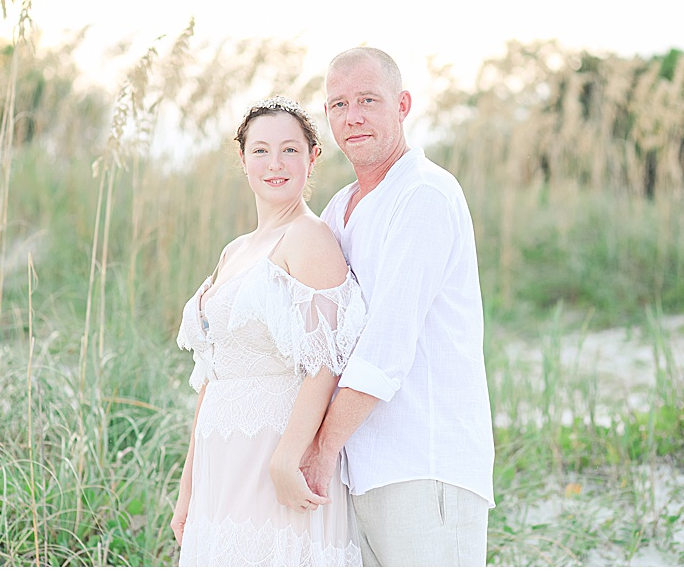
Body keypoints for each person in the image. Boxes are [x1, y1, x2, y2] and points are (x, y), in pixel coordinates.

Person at [300, 47, 496, 566]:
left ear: (403, 104)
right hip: (359, 467)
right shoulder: (339, 209)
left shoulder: (424, 194)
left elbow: (384, 349)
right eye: (339, 104)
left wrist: (319, 449)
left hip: (424, 465)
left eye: (368, 99)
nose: (353, 116)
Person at [171, 95, 366, 566]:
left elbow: (328, 363)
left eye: (289, 150)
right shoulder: (234, 249)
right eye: (260, 150)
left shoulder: (310, 238)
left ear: (312, 157)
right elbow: (212, 374)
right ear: (242, 159)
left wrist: (287, 456)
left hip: (277, 449)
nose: (274, 164)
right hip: (222, 460)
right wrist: (188, 484)